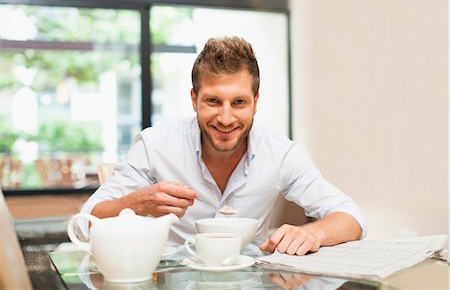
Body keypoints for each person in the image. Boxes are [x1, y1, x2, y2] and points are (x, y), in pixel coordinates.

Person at [80, 36, 367, 256]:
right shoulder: (154, 146)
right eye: (213, 101)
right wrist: (137, 203)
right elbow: (84, 225)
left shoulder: (281, 153)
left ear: (256, 101)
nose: (226, 118)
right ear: (194, 100)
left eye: (239, 102)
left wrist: (314, 234)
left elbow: (352, 218)